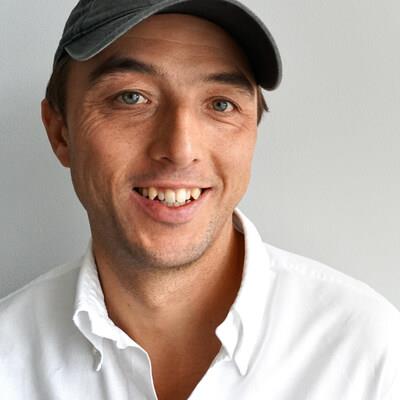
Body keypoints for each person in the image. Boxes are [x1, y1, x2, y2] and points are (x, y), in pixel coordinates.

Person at [1, 0, 399, 399]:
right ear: (60, 133)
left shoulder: (368, 355)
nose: (180, 149)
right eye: (131, 98)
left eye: (221, 104)